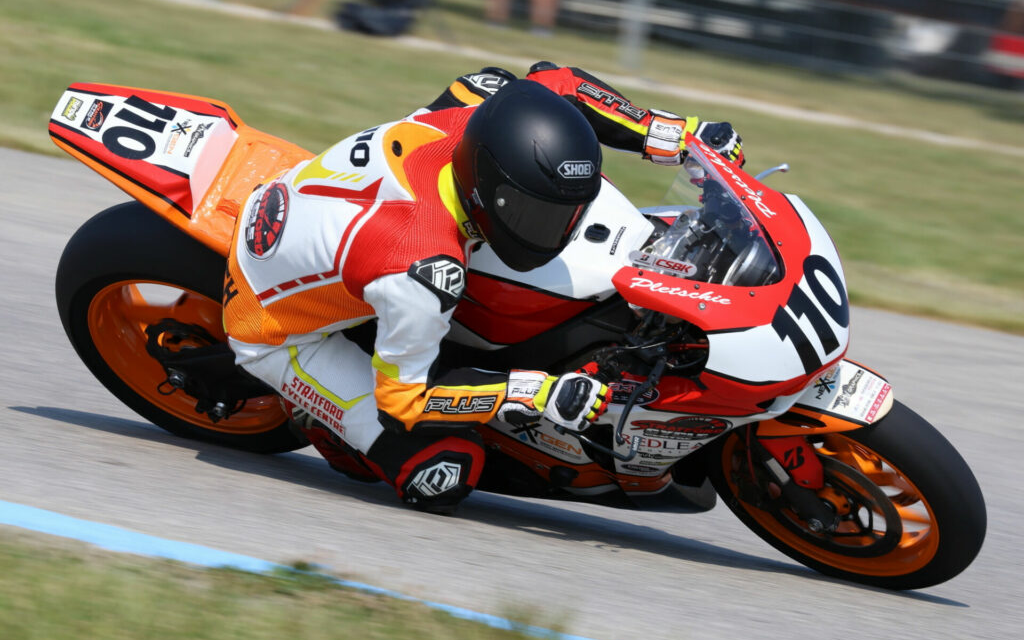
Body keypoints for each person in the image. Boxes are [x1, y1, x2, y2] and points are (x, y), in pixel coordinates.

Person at [222, 62, 744, 513]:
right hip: (274, 326)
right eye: (540, 214)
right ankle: (328, 429)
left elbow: (557, 82)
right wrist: (536, 393)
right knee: (444, 472)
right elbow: (406, 400)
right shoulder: (421, 274)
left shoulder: (485, 112)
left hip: (339, 210)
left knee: (489, 84)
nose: (561, 229)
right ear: (490, 191)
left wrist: (679, 137)